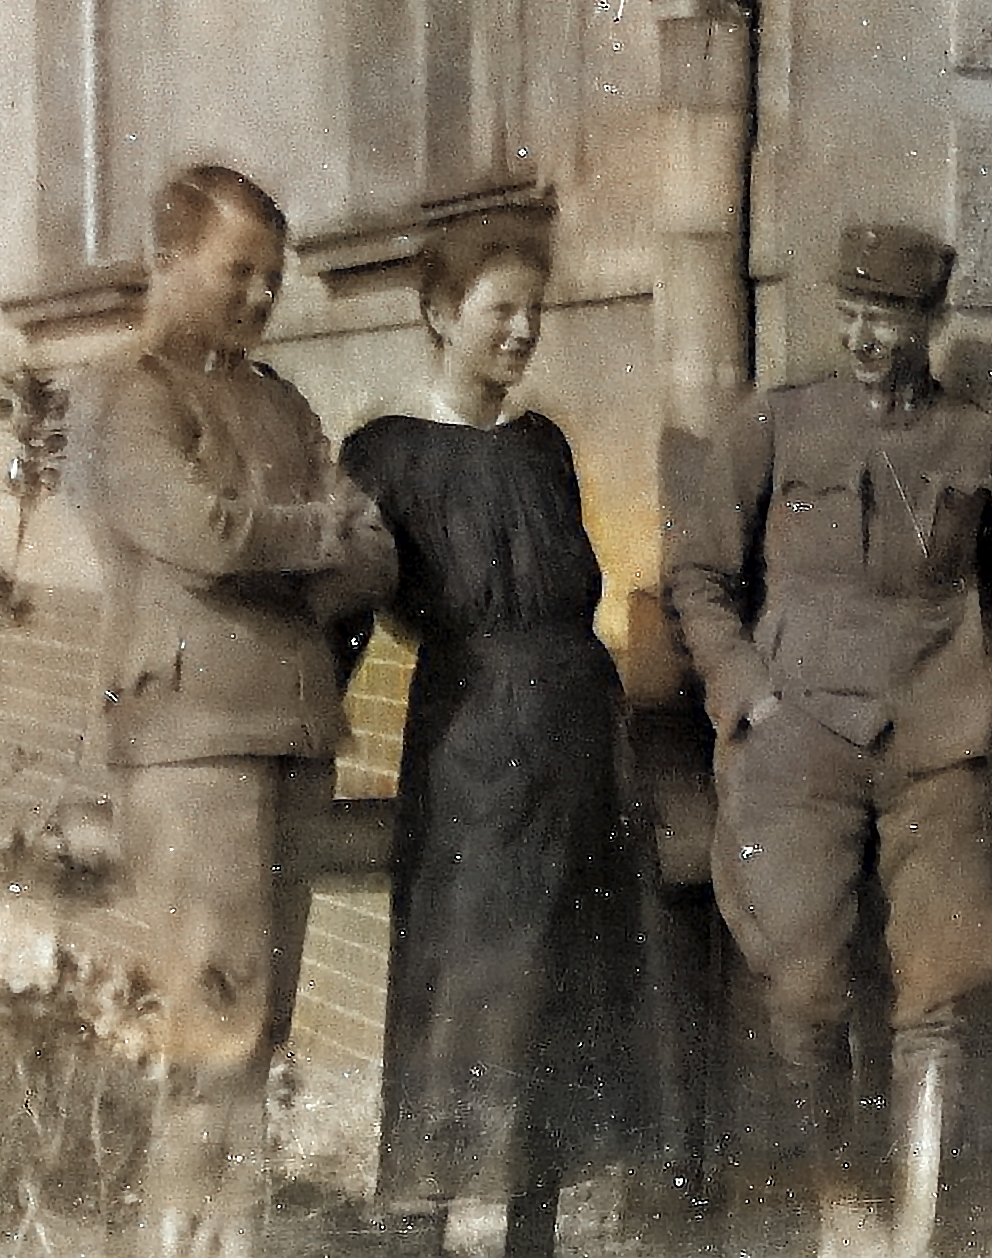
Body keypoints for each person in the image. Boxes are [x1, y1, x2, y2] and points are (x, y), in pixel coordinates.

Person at [665, 223, 992, 1258]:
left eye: (890, 316)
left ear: (932, 320)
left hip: (936, 740)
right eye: (852, 311)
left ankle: (917, 1229)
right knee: (804, 984)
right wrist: (748, 696)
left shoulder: (979, 441)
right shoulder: (775, 425)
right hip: (801, 737)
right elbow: (697, 576)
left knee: (939, 988)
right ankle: (839, 1200)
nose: (865, 336)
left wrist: (987, 678)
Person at [85, 164, 397, 1258]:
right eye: (238, 272)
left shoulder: (280, 401)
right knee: (212, 1025)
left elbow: (374, 553)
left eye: (274, 276)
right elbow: (203, 533)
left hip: (291, 734)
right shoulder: (132, 397)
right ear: (169, 261)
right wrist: (306, 536)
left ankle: (232, 1242)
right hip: (193, 747)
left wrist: (284, 551)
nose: (262, 295)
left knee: (260, 1029)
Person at [339, 215, 642, 1258]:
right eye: (500, 309)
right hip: (470, 748)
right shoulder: (387, 456)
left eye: (534, 311)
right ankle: (421, 1232)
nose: (524, 330)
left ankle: (532, 1237)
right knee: (463, 989)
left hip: (577, 748)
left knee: (557, 989)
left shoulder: (542, 445)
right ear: (438, 314)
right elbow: (347, 606)